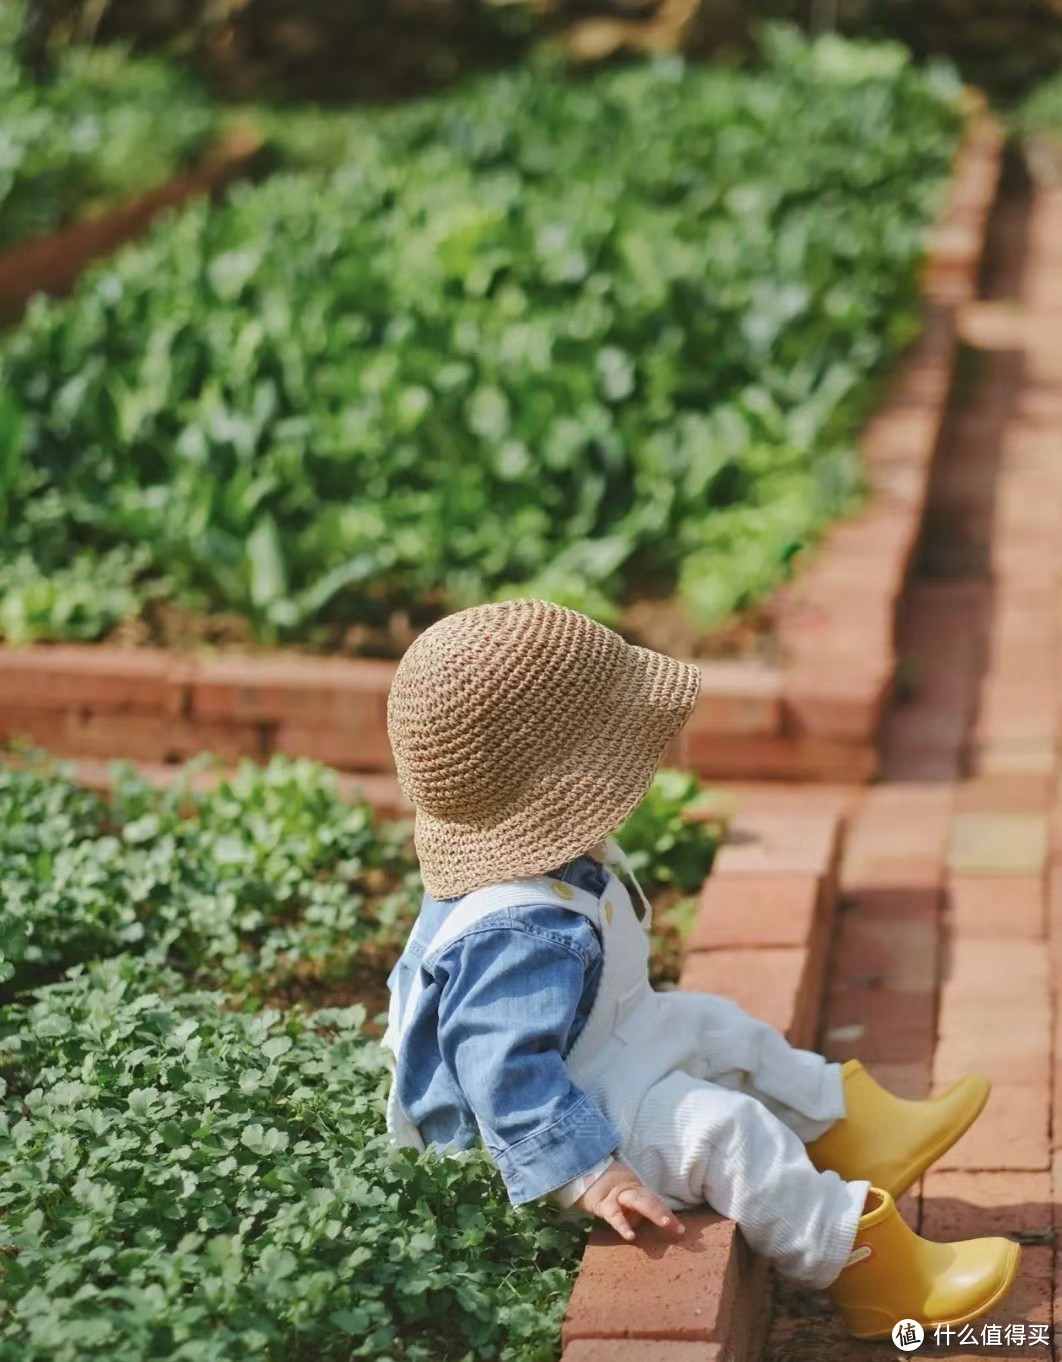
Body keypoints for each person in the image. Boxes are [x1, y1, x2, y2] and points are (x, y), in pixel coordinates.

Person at [383, 598, 1020, 1340]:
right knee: (727, 1132)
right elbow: (500, 1072)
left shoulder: (542, 863)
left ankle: (857, 1132)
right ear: (560, 780)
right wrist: (590, 1175)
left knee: (717, 1027)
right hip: (548, 1123)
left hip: (592, 1055)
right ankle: (866, 1267)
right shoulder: (522, 928)